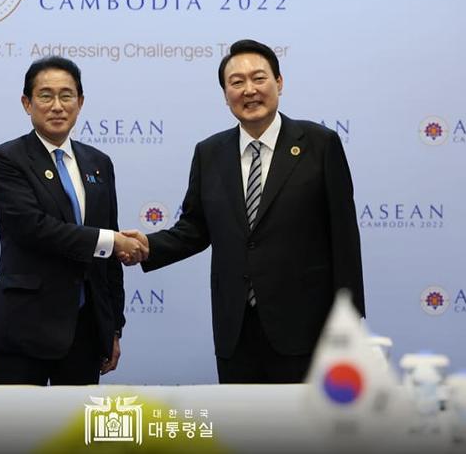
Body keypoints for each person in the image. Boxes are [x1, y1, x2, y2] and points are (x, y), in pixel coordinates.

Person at [124, 39, 364, 383]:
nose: (248, 90)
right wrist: (149, 246)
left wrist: (350, 321)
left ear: (279, 83)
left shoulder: (319, 144)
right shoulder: (210, 153)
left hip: (306, 328)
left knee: (306, 434)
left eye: (259, 78)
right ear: (225, 94)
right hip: (236, 329)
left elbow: (344, 237)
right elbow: (195, 228)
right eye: (236, 82)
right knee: (242, 430)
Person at [0, 56, 147, 385]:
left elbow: (108, 260)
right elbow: (33, 229)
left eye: (67, 95)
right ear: (27, 103)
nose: (57, 105)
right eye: (45, 95)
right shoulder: (6, 159)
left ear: (80, 103)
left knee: (78, 432)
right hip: (25, 327)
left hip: (84, 330)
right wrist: (112, 241)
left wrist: (112, 328)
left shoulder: (98, 163)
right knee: (19, 432)